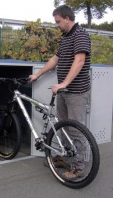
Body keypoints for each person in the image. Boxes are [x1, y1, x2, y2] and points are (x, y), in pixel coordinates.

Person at [29, 5, 91, 180]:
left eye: (58, 22)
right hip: (64, 92)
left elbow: (79, 60)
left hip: (76, 92)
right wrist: (38, 74)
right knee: (63, 127)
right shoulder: (65, 38)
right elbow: (55, 59)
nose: (57, 25)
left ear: (67, 18)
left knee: (76, 130)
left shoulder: (80, 35)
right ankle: (66, 158)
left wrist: (64, 83)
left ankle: (79, 167)